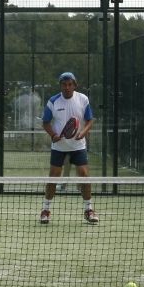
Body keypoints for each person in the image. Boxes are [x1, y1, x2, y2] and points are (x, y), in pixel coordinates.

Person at [39, 72, 98, 224]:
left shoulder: (83, 99)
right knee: (53, 178)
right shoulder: (53, 101)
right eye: (64, 84)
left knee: (84, 175)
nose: (67, 87)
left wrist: (83, 133)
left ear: (74, 85)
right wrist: (53, 135)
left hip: (78, 146)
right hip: (59, 147)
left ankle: (89, 209)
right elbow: (45, 122)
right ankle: (45, 210)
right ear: (60, 86)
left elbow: (90, 120)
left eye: (70, 84)